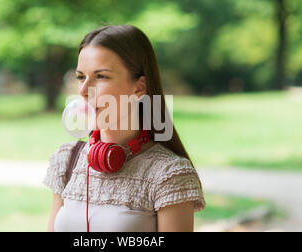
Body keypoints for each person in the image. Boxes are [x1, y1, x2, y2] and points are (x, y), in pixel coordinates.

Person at [44, 25, 206, 232]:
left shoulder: (169, 174)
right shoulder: (66, 160)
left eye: (101, 76)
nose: (84, 90)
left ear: (139, 88)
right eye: (81, 77)